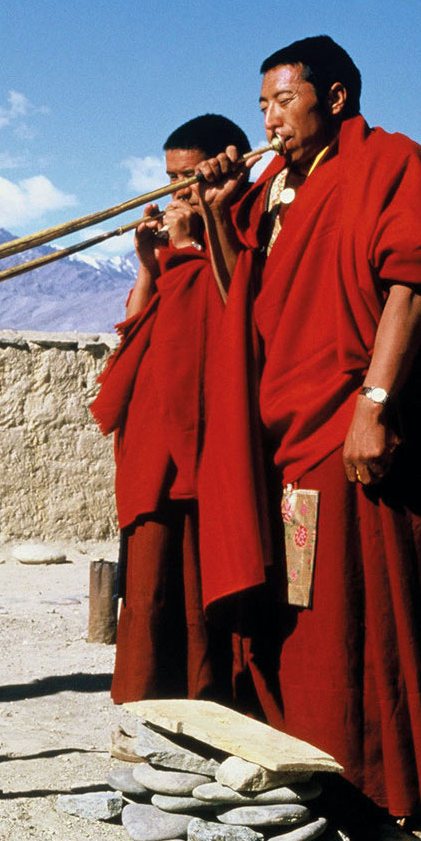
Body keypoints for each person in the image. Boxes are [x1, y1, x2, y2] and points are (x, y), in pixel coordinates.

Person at [194, 37, 421, 841]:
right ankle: (335, 783)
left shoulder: (389, 164)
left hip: (357, 437)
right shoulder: (269, 190)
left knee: (389, 617)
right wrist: (226, 211)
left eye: (282, 101)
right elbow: (245, 305)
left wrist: (373, 407)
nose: (268, 118)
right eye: (261, 103)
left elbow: (413, 281)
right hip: (289, 446)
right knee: (309, 620)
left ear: (334, 98)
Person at [89, 113, 252, 706]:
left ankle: (209, 700)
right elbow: (141, 328)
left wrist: (189, 246)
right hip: (157, 436)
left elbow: (213, 327)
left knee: (199, 576)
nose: (176, 192)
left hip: (204, 437)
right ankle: (146, 705)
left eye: (186, 178)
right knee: (151, 579)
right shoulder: (184, 232)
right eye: (169, 178)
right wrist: (149, 262)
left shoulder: (239, 223)